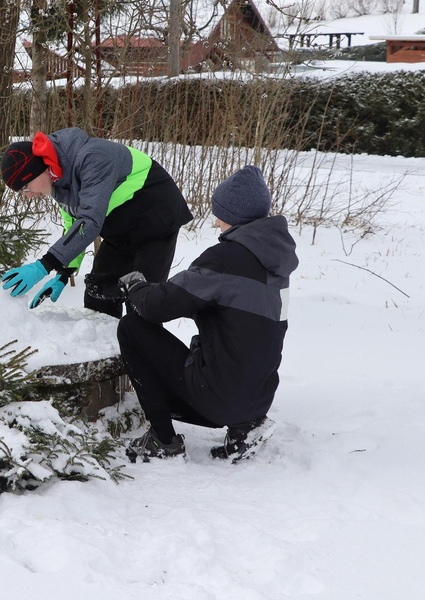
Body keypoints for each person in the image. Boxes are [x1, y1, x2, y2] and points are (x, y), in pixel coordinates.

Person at [86, 165, 299, 463]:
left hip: (217, 401)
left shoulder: (225, 259)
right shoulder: (275, 264)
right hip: (258, 399)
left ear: (235, 215)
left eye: (220, 214)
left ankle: (163, 440)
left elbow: (158, 306)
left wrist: (135, 285)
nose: (216, 222)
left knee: (131, 328)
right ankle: (244, 429)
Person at [0, 127, 193, 317]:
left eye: (25, 187)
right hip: (119, 229)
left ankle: (140, 347)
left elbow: (90, 220)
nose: (29, 195)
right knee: (98, 293)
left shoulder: (93, 157)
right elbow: (73, 226)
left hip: (155, 220)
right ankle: (105, 348)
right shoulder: (58, 181)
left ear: (35, 171)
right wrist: (64, 272)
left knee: (142, 302)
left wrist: (44, 265)